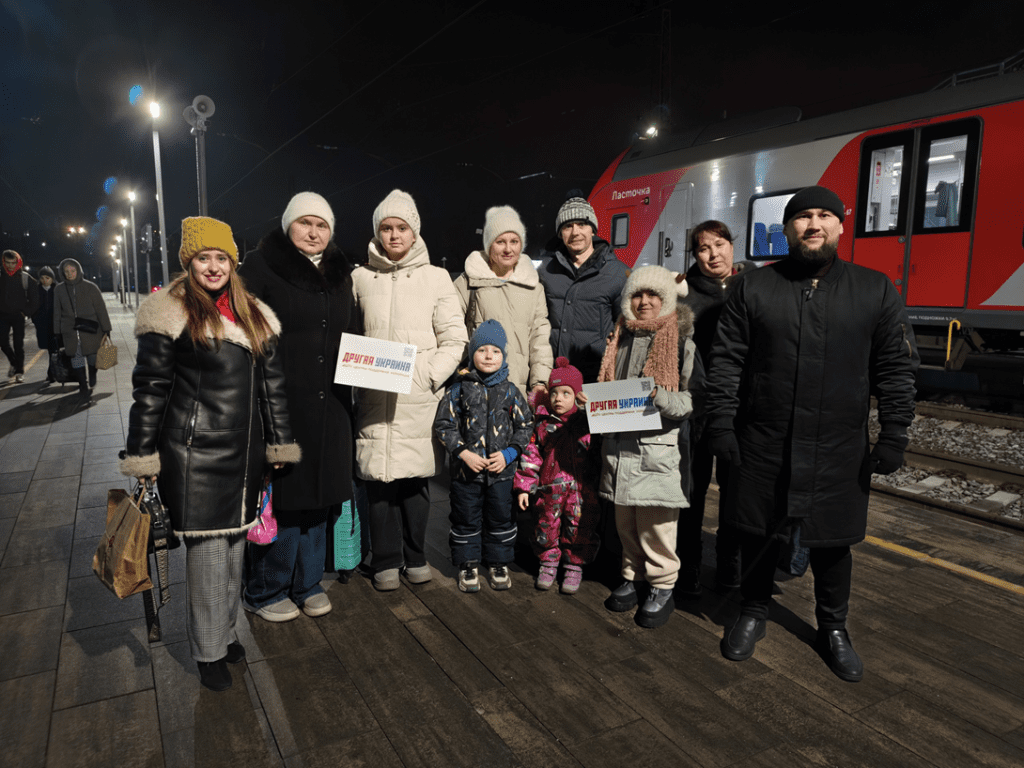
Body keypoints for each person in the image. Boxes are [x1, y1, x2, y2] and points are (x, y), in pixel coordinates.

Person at [705, 186, 919, 682]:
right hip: (764, 437)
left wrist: (894, 432)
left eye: (825, 215)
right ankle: (753, 610)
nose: (814, 224)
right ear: (787, 229)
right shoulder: (754, 288)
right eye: (803, 217)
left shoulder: (874, 289)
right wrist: (720, 422)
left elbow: (895, 367)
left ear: (841, 226)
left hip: (839, 443)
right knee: (758, 529)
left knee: (833, 542)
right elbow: (727, 361)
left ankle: (833, 627)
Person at [119, 216, 301, 692]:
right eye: (204, 258)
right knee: (208, 560)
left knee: (236, 552)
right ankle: (207, 653)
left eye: (222, 257)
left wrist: (279, 441)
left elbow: (273, 387)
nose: (214, 266)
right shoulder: (170, 311)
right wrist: (142, 456)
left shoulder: (253, 313)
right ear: (189, 262)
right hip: (193, 455)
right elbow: (151, 389)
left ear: (233, 263)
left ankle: (225, 634)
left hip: (245, 457)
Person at [239, 192, 354, 622]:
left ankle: (308, 582)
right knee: (284, 501)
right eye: (305, 222)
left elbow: (351, 333)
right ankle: (265, 588)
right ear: (288, 225)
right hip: (283, 404)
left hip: (333, 406)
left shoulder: (341, 272)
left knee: (321, 499)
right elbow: (244, 333)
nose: (313, 231)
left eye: (322, 225)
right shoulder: (261, 267)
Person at [351, 189, 468, 591]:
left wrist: (427, 376)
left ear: (415, 232)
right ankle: (385, 560)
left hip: (417, 399)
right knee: (378, 482)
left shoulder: (436, 278)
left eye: (402, 228)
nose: (394, 235)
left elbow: (455, 338)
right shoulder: (359, 278)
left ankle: (416, 557)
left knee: (416, 483)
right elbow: (349, 334)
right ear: (377, 232)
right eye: (386, 228)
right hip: (374, 398)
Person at [598, 266, 700, 629]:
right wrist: (593, 404)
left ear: (667, 299)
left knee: (657, 526)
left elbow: (693, 400)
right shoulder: (619, 339)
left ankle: (662, 583)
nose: (644, 302)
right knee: (625, 522)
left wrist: (661, 397)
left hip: (657, 450)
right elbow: (610, 389)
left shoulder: (682, 343)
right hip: (620, 448)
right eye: (637, 295)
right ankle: (633, 574)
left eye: (653, 295)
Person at [434, 320, 532, 592]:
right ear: (472, 353)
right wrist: (463, 453)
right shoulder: (458, 389)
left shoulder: (511, 392)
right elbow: (444, 425)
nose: (489, 356)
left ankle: (498, 563)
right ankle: (467, 564)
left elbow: (526, 426)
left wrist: (510, 454)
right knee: (465, 518)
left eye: (495, 351)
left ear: (503, 356)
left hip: (502, 474)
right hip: (466, 475)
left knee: (501, 518)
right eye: (482, 350)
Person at [676, 221, 745, 596]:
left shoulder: (750, 286)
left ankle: (729, 559)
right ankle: (688, 562)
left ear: (732, 246)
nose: (713, 253)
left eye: (720, 244)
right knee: (692, 488)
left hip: (738, 407)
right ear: (695, 255)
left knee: (736, 490)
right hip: (696, 409)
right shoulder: (682, 293)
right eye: (704, 248)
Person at [513, 356, 600, 593]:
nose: (558, 399)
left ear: (578, 396)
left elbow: (599, 451)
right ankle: (548, 562)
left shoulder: (588, 423)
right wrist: (524, 487)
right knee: (546, 525)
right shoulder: (542, 424)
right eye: (553, 393)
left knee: (580, 526)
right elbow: (531, 455)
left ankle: (574, 565)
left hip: (581, 490)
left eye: (565, 393)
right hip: (549, 489)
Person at [454, 205, 552, 399]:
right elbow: (451, 331)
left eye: (514, 241)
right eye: (500, 242)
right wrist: (460, 373)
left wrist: (540, 381)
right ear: (489, 245)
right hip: (477, 391)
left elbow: (540, 340)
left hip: (519, 391)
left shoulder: (533, 287)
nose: (508, 249)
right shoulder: (469, 282)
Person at [538, 194, 628, 383]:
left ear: (593, 229)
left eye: (582, 224)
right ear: (560, 233)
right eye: (567, 226)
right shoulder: (546, 271)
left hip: (596, 379)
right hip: (555, 378)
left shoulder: (618, 273)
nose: (575, 232)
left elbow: (627, 331)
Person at [54, 258, 111, 397]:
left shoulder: (90, 287)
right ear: (62, 272)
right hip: (70, 330)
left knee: (93, 357)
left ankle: (92, 373)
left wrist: (106, 328)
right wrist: (57, 332)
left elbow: (101, 309)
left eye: (72, 270)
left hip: (90, 329)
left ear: (78, 270)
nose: (70, 274)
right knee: (76, 357)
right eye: (66, 271)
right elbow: (57, 312)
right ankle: (83, 385)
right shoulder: (59, 289)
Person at [0, 249, 39, 383]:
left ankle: (19, 372)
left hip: (18, 316)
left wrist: (27, 312)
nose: (10, 265)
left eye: (13, 263)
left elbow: (35, 298)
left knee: (18, 345)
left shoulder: (25, 278)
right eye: (7, 262)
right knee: (3, 342)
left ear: (18, 262)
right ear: (3, 262)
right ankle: (14, 363)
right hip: (2, 316)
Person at [32, 266, 58, 382]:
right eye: (42, 278)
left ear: (52, 278)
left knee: (54, 349)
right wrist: (36, 320)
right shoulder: (36, 290)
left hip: (55, 324)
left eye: (47, 278)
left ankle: (52, 373)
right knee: (50, 349)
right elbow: (32, 306)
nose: (44, 280)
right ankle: (52, 372)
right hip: (43, 325)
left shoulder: (57, 289)